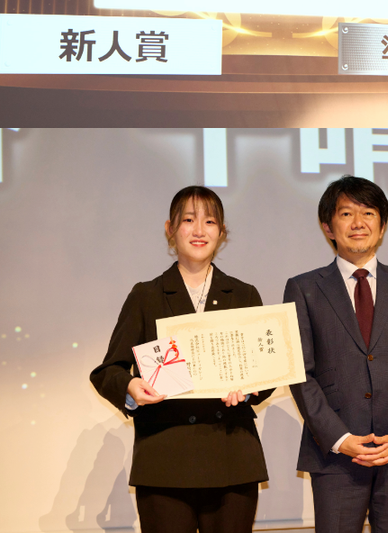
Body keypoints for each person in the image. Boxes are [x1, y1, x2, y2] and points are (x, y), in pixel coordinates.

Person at [90, 186, 272, 533]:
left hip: (231, 457)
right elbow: (108, 371)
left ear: (222, 232)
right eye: (188, 220)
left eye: (210, 221)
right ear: (170, 229)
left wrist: (251, 388)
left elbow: (265, 371)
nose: (199, 230)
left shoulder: (243, 294)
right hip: (164, 460)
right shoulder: (146, 295)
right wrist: (131, 387)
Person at [283, 176, 388, 533]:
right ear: (328, 227)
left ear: (382, 226)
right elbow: (300, 373)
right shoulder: (304, 288)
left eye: (368, 213)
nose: (358, 222)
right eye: (346, 213)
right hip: (335, 455)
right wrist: (341, 440)